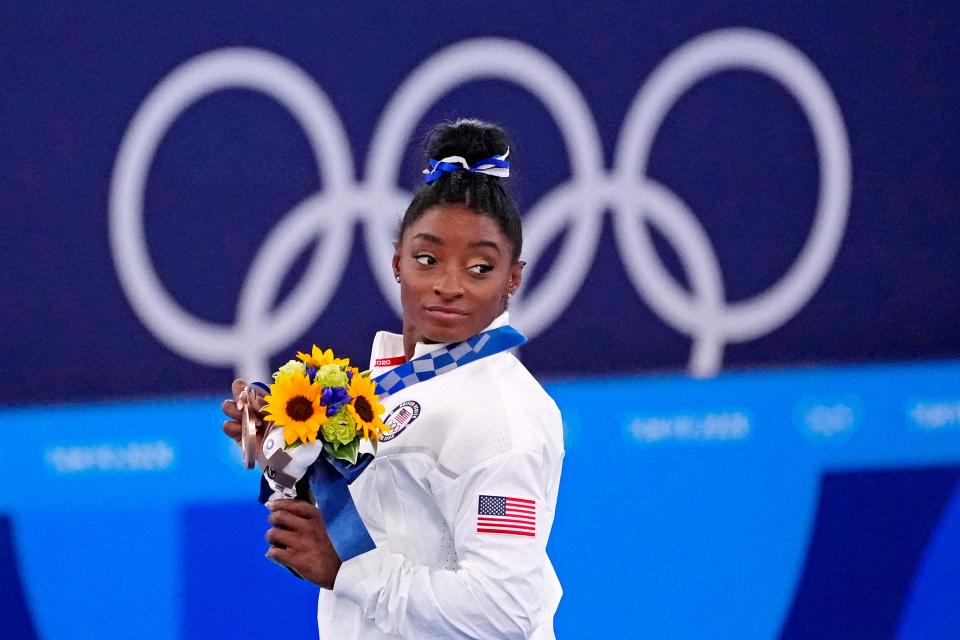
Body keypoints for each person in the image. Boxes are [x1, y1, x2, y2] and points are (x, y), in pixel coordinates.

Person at [222, 119, 564, 639]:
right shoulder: (381, 387)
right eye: (428, 260)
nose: (449, 286)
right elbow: (359, 534)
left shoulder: (501, 420)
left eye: (479, 268)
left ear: (512, 279)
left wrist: (345, 571)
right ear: (397, 261)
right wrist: (282, 453)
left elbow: (504, 611)